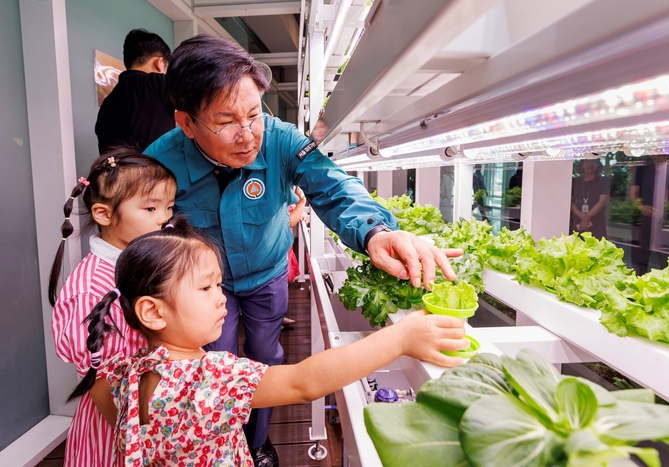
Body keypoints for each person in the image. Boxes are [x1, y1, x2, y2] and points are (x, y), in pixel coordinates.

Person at [144, 35, 462, 465]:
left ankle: (256, 443)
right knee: (214, 360)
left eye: (254, 114)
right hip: (199, 288)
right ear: (186, 122)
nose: (247, 135)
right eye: (226, 121)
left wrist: (375, 233)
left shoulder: (281, 139)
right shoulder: (159, 162)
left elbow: (333, 187)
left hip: (267, 272)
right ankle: (223, 445)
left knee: (265, 357)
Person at [69, 216, 468, 467]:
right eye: (206, 287)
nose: (221, 296)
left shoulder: (122, 372)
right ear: (153, 312)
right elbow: (302, 382)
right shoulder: (211, 377)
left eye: (218, 284)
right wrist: (400, 338)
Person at [49, 149, 176, 467]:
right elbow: (103, 384)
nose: (164, 217)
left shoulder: (140, 263)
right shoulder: (92, 290)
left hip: (153, 412)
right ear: (104, 214)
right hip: (119, 431)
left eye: (169, 207)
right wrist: (141, 444)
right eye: (150, 207)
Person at [95, 29, 175, 154]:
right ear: (158, 63)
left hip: (114, 172)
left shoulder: (107, 104)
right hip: (154, 172)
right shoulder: (159, 83)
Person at [570, 159, 611, 240]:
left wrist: (587, 217)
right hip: (577, 218)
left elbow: (602, 202)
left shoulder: (604, 181)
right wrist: (582, 216)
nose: (590, 165)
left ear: (598, 164)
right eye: (587, 162)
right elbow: (570, 202)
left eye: (593, 162)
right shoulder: (575, 181)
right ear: (582, 164)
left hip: (596, 220)